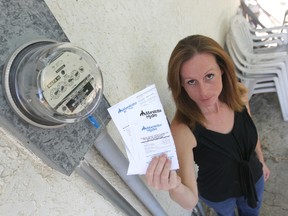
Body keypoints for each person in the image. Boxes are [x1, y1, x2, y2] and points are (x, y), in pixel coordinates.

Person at [145, 35, 270, 216]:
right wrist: (175, 186)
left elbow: (251, 132)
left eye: (209, 76)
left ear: (222, 70)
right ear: (181, 85)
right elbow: (190, 200)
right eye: (191, 82)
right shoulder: (182, 129)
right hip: (219, 195)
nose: (203, 92)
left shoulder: (240, 96)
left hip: (254, 178)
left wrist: (261, 160)